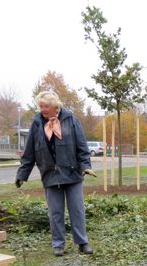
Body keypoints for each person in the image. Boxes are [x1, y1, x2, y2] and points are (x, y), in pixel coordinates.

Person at [15, 91, 96, 257]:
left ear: (55, 106)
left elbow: (82, 147)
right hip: (50, 174)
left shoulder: (71, 120)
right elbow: (29, 151)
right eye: (41, 106)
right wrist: (22, 174)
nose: (43, 109)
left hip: (72, 173)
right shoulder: (37, 123)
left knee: (77, 210)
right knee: (55, 212)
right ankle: (58, 244)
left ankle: (82, 243)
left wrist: (85, 165)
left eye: (46, 106)